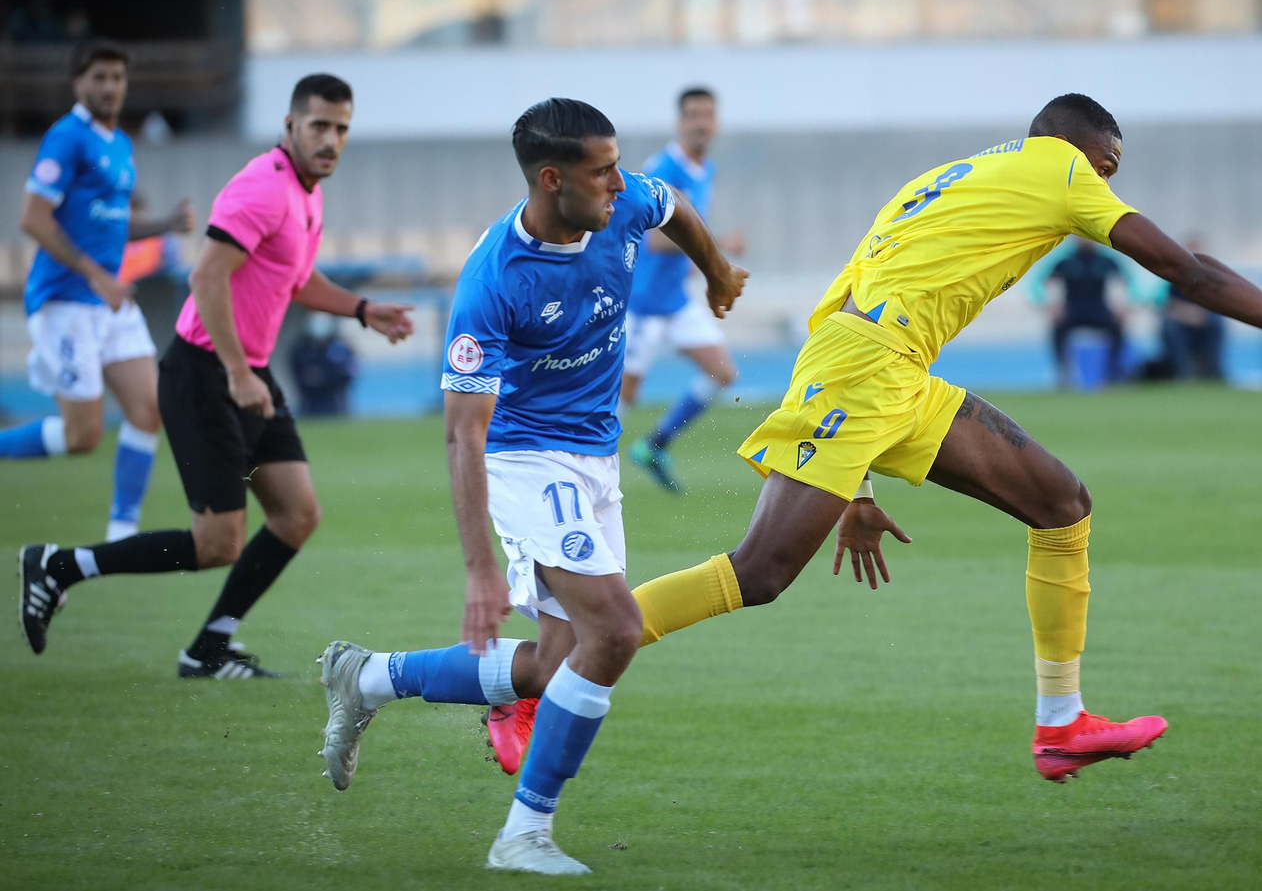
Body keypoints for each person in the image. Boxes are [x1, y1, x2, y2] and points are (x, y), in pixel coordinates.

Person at [472, 93, 1262, 786]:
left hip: (882, 369)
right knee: (759, 573)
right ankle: (543, 674)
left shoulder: (947, 178)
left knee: (1061, 502)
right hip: (868, 370)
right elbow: (1185, 270)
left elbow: (842, 301)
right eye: (1108, 165)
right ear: (1082, 147)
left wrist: (862, 481)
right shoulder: (1061, 169)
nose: (1105, 184)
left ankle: (1060, 720)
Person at [314, 98, 744, 875]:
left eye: (617, 164)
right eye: (601, 170)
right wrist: (481, 568)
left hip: (596, 456)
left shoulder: (622, 203)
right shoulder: (493, 282)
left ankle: (368, 676)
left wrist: (715, 270)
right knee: (613, 631)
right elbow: (463, 434)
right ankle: (524, 834)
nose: (621, 182)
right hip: (526, 459)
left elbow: (674, 206)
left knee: (555, 664)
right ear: (552, 180)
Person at [18, 74, 416, 677]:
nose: (331, 139)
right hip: (206, 379)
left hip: (246, 378)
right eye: (319, 126)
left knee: (297, 513)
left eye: (341, 129)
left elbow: (297, 279)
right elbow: (205, 278)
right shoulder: (263, 187)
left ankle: (207, 649)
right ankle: (60, 566)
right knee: (218, 543)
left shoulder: (308, 194)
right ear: (290, 127)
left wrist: (362, 310)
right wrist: (235, 372)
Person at [0, 40, 194, 544]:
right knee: (81, 436)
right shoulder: (66, 138)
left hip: (107, 303)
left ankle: (119, 535)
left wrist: (166, 223)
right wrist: (96, 275)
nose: (110, 87)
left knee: (149, 411)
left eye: (117, 78)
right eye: (100, 77)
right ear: (78, 84)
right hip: (68, 302)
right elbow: (33, 218)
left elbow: (113, 223)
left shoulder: (120, 146)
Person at [623, 87, 745, 492]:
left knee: (723, 372)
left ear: (716, 122)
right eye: (692, 114)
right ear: (679, 121)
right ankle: (580, 464)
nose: (700, 122)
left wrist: (699, 262)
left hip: (674, 300)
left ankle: (655, 444)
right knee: (623, 398)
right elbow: (654, 238)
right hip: (642, 305)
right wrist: (719, 247)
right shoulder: (665, 167)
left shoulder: (703, 168)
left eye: (707, 114)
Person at [1045, 238, 1124, 387]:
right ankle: (1063, 373)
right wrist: (1054, 306)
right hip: (1073, 309)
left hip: (1098, 308)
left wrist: (1120, 307)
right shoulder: (1066, 261)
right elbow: (1048, 283)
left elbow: (1122, 283)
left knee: (1117, 328)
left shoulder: (1105, 261)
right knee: (1057, 329)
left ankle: (1113, 374)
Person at [1160, 234, 1225, 380]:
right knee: (1170, 326)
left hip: (1205, 322)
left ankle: (1215, 373)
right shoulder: (1175, 279)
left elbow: (1221, 303)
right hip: (1183, 324)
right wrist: (1190, 315)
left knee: (1216, 322)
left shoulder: (1213, 280)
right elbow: (1170, 306)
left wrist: (1202, 315)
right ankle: (1183, 374)